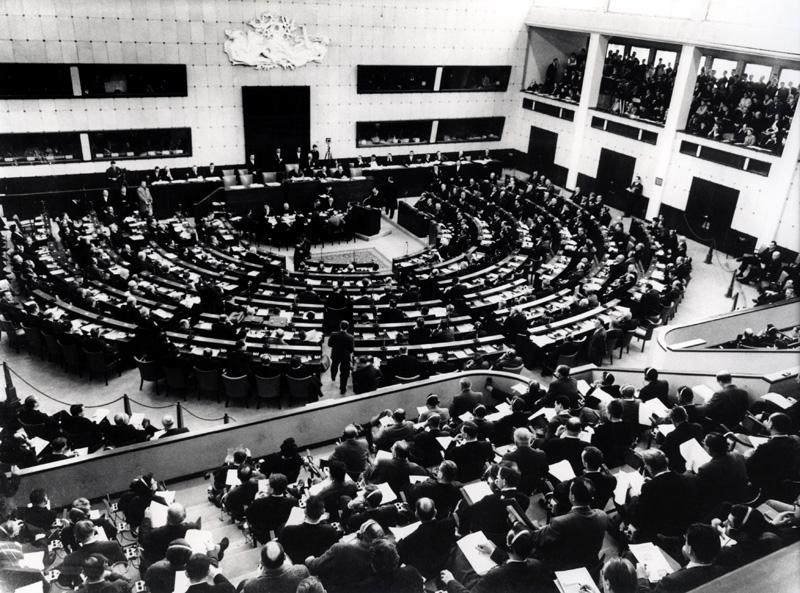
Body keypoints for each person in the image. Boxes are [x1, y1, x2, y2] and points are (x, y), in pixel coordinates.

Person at [440, 528, 556, 593]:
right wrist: (492, 552)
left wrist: (451, 581)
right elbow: (516, 563)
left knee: (461, 563)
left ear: (508, 547)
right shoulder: (536, 564)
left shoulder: (494, 575)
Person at [531, 477, 608, 570]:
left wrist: (537, 527)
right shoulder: (602, 515)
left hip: (564, 567)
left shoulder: (559, 522)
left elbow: (537, 539)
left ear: (572, 497)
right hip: (589, 563)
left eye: (570, 491)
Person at [306, 519, 386, 593]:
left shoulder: (340, 549)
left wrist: (310, 560)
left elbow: (315, 567)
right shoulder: (383, 558)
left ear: (360, 534)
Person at [396, 498, 456, 580]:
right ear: (435, 512)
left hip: (425, 573)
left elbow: (401, 559)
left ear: (416, 514)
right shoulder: (449, 524)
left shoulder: (408, 540)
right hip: (445, 565)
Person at [745, 412, 800, 499]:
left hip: (767, 488)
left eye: (768, 420)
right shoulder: (795, 443)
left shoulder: (765, 448)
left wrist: (747, 456)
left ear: (770, 425)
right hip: (787, 487)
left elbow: (749, 468)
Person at [278, 495, 340, 565]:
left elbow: (281, 549)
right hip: (319, 566)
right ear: (323, 512)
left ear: (305, 511)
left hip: (296, 565)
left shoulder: (289, 530)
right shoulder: (330, 530)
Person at [246, 474, 298, 544]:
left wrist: (255, 499)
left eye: (268, 485)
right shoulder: (293, 502)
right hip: (285, 534)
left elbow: (248, 515)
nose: (267, 486)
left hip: (266, 535)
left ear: (272, 489)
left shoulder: (259, 502)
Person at [242, 541, 310, 593]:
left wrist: (259, 576)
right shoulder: (302, 571)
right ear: (285, 557)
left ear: (262, 562)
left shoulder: (251, 586)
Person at [502, 428, 547, 495]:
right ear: (530, 439)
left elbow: (505, 476)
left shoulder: (508, 456)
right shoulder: (541, 454)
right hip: (534, 487)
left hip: (517, 490)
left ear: (515, 441)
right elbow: (545, 471)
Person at [591, 399, 635, 469]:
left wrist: (592, 433)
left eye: (607, 411)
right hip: (623, 457)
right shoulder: (628, 425)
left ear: (610, 414)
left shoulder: (602, 428)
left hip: (606, 460)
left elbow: (595, 445)